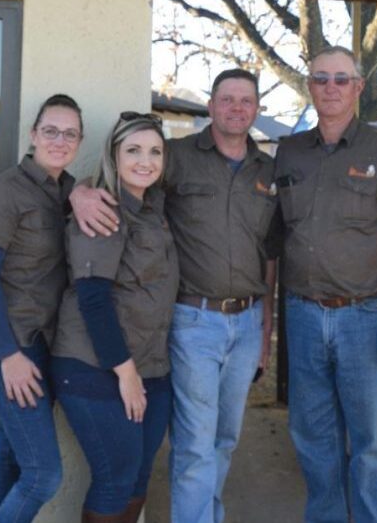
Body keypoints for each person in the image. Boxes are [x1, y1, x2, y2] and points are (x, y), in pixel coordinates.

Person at [70, 69, 279, 523]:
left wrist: (266, 330)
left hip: (246, 322)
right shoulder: (177, 157)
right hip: (194, 320)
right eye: (227, 99)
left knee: (225, 439)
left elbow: (270, 254)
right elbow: (123, 178)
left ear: (258, 108)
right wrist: (78, 192)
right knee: (195, 443)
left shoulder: (268, 170)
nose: (237, 108)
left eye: (246, 101)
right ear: (211, 106)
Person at [275, 46, 377, 523]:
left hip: (367, 319)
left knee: (371, 445)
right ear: (309, 86)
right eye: (321, 78)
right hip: (303, 316)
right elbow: (271, 232)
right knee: (313, 437)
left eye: (341, 79)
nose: (330, 88)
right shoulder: (289, 152)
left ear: (359, 87)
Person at [51, 112, 178, 523]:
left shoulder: (153, 208)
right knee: (116, 478)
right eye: (134, 150)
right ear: (114, 155)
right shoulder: (102, 208)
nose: (146, 160)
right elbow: (93, 299)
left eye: (155, 151)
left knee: (138, 479)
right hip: (97, 367)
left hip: (151, 366)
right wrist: (126, 374)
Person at [0, 94, 84, 523]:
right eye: (51, 130)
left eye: (70, 133)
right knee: (43, 474)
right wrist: (8, 356)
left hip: (43, 347)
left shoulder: (69, 192)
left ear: (79, 140)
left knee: (10, 455)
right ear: (34, 134)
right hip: (7, 349)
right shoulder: (5, 192)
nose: (60, 140)